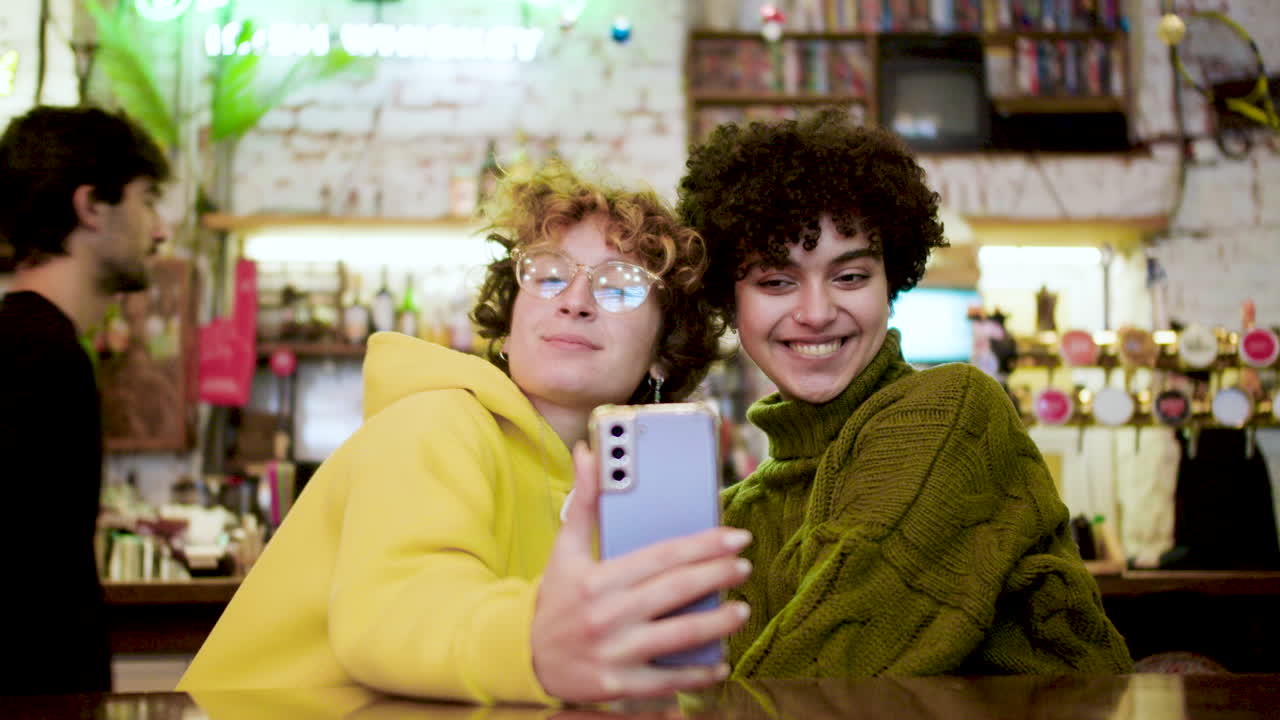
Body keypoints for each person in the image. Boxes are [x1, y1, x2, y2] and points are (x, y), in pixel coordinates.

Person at [178, 163, 752, 704]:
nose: (575, 301)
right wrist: (533, 643)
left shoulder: (613, 491)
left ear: (662, 351)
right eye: (549, 276)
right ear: (508, 324)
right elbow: (397, 609)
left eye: (620, 286)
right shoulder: (436, 423)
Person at [676, 108, 1132, 677]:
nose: (816, 313)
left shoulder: (952, 413)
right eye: (776, 281)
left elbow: (825, 677)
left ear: (891, 284)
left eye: (850, 276)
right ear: (731, 298)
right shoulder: (737, 515)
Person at [0, 106, 170, 694]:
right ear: (90, 205)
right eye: (147, 200)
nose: (160, 228)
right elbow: (32, 590)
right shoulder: (39, 359)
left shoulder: (33, 344)